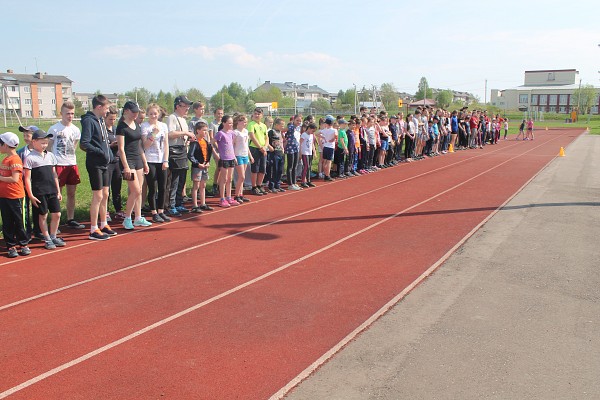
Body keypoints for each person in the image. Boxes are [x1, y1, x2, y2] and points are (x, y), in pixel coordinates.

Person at [80, 94, 115, 240]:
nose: (107, 111)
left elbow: (104, 140)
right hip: (95, 163)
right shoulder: (89, 121)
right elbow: (84, 143)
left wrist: (109, 155)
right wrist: (101, 152)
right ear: (99, 107)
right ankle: (93, 228)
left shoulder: (101, 120)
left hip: (105, 163)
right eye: (106, 108)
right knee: (98, 195)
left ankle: (103, 223)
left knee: (105, 194)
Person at [23, 129, 65, 250]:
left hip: (52, 190)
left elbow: (54, 174)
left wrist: (58, 190)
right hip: (39, 191)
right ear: (34, 142)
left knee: (57, 214)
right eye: (42, 143)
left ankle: (53, 235)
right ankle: (46, 238)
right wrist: (30, 195)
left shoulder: (50, 156)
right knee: (43, 215)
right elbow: (27, 178)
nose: (44, 145)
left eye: (46, 143)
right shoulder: (30, 158)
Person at [47, 101, 85, 229]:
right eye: (67, 113)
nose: (70, 116)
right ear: (61, 113)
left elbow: (74, 146)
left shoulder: (75, 129)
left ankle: (70, 218)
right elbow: (49, 146)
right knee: (57, 193)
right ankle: (54, 222)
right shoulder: (54, 129)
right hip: (58, 164)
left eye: (72, 113)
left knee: (72, 193)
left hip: (71, 163)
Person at [116, 101, 152, 230]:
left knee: (140, 190)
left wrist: (144, 162)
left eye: (137, 112)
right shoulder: (121, 127)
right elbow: (121, 149)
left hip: (138, 160)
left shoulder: (136, 124)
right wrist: (125, 166)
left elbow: (139, 146)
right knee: (135, 190)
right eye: (133, 112)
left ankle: (138, 217)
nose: (135, 114)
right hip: (128, 161)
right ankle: (127, 218)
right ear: (126, 111)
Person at [0, 132, 30, 257]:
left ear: (6, 145)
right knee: (7, 222)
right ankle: (11, 246)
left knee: (19, 221)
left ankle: (23, 244)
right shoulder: (5, 159)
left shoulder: (15, 159)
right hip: (4, 196)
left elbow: (14, 178)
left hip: (15, 196)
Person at [141, 103, 171, 223]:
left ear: (159, 114)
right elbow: (145, 145)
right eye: (151, 113)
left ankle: (161, 210)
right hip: (150, 160)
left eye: (155, 113)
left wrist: (166, 160)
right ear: (148, 114)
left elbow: (166, 144)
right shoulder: (144, 126)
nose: (153, 116)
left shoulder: (163, 126)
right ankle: (153, 212)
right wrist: (153, 134)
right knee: (152, 188)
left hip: (161, 160)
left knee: (163, 187)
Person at [166, 95, 194, 216]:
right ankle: (171, 205)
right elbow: (170, 134)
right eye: (185, 106)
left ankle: (179, 202)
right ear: (178, 106)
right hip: (174, 151)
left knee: (182, 178)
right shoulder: (172, 118)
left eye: (188, 106)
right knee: (174, 180)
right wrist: (185, 132)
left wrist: (188, 139)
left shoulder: (183, 119)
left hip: (183, 150)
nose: (187, 108)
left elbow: (182, 135)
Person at [17, 126, 40, 239]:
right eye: (24, 135)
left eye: (28, 135)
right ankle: (27, 231)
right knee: (25, 208)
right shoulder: (20, 152)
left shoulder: (41, 152)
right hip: (25, 185)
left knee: (38, 208)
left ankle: (38, 229)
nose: (26, 138)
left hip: (38, 185)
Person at [212, 115, 239, 207]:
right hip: (224, 158)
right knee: (224, 179)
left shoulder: (231, 133)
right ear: (224, 123)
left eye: (231, 123)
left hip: (231, 158)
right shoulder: (220, 133)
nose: (231, 125)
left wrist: (234, 156)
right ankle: (222, 198)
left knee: (230, 179)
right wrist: (218, 152)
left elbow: (231, 145)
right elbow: (212, 142)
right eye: (229, 123)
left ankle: (229, 197)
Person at [188, 121, 213, 212]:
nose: (205, 132)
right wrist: (198, 163)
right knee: (196, 186)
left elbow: (208, 153)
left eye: (206, 130)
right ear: (198, 131)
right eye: (204, 130)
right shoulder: (195, 142)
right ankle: (195, 205)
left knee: (203, 185)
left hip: (204, 166)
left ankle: (203, 203)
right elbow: (190, 155)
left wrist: (208, 162)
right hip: (197, 167)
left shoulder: (205, 142)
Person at [105, 105, 125, 220]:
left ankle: (118, 209)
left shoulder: (116, 129)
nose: (112, 121)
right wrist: (110, 145)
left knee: (117, 187)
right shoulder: (103, 130)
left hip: (117, 160)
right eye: (110, 119)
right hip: (107, 162)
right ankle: (106, 211)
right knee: (106, 189)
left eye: (114, 119)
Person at [248, 108, 269, 195]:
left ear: (262, 115)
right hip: (255, 148)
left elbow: (266, 137)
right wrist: (260, 147)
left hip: (263, 149)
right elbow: (252, 136)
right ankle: (254, 187)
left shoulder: (264, 126)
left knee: (262, 168)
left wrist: (265, 147)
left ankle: (259, 185)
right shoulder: (251, 124)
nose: (257, 115)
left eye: (259, 114)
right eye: (255, 113)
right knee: (255, 169)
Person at [232, 114, 252, 202]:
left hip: (245, 155)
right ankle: (236, 195)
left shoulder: (246, 131)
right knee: (242, 176)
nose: (245, 124)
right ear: (238, 122)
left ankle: (241, 194)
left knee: (242, 176)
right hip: (238, 155)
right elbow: (232, 145)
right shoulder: (235, 132)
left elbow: (246, 145)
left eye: (246, 122)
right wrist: (233, 156)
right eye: (244, 122)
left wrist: (250, 155)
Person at [208, 107, 224, 197]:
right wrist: (217, 147)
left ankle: (220, 184)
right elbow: (211, 137)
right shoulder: (212, 124)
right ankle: (215, 184)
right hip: (216, 148)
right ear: (215, 114)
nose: (220, 115)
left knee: (223, 167)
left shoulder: (223, 123)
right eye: (218, 113)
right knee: (219, 166)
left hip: (223, 148)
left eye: (221, 113)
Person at [267, 118, 285, 193]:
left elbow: (281, 141)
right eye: (282, 125)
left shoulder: (280, 132)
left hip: (280, 152)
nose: (283, 127)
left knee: (280, 170)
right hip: (274, 153)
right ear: (277, 125)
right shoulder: (271, 132)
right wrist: (269, 146)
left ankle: (277, 185)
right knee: (274, 170)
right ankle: (272, 186)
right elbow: (266, 140)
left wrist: (283, 148)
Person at [319, 116, 337, 181]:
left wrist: (323, 137)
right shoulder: (334, 130)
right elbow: (336, 135)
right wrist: (333, 139)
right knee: (329, 162)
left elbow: (317, 134)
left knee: (325, 161)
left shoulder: (324, 130)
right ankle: (327, 175)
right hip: (330, 147)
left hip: (325, 146)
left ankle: (325, 174)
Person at [299, 122, 317, 187]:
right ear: (309, 128)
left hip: (309, 152)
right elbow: (300, 144)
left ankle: (308, 180)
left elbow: (312, 144)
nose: (313, 132)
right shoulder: (304, 135)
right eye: (312, 130)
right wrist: (300, 153)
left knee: (309, 166)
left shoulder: (311, 135)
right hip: (304, 152)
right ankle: (303, 181)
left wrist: (314, 152)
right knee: (306, 166)